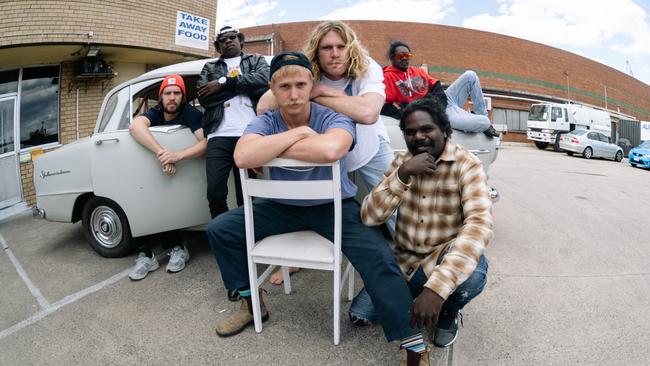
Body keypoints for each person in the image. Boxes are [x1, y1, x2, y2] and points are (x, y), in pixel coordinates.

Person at [207, 52, 431, 365]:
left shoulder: (331, 116)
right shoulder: (264, 120)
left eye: (301, 84)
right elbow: (243, 157)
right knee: (220, 230)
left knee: (379, 257)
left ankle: (414, 345)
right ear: (272, 89)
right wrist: (299, 133)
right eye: (285, 87)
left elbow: (330, 148)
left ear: (312, 84)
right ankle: (250, 303)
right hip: (280, 206)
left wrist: (270, 149)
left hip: (334, 205)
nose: (294, 94)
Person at [257, 20, 396, 285]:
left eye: (341, 46)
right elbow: (264, 106)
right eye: (327, 47)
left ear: (350, 48)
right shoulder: (305, 69)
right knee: (304, 201)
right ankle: (296, 260)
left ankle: (411, 259)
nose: (335, 54)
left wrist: (318, 91)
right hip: (327, 149)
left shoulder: (367, 67)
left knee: (395, 203)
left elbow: (368, 113)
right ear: (316, 51)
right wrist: (313, 89)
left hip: (368, 147)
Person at [352, 97, 493, 348]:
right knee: (359, 315)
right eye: (410, 132)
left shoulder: (467, 165)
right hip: (404, 263)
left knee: (473, 275)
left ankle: (448, 308)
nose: (418, 137)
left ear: (444, 130)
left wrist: (437, 289)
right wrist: (403, 174)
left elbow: (479, 225)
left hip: (442, 259)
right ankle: (412, 294)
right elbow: (369, 216)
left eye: (427, 129)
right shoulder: (401, 162)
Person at [198, 26, 269, 300]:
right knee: (215, 190)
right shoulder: (209, 66)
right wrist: (236, 86)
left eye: (232, 38)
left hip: (250, 131)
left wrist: (223, 84)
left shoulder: (256, 61)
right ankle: (226, 238)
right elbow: (204, 96)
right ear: (218, 46)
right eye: (222, 40)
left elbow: (264, 81)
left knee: (247, 193)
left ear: (240, 42)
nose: (228, 42)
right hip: (219, 134)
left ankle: (251, 239)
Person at [127, 74, 205, 280]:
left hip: (183, 172)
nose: (172, 98)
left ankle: (176, 247)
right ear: (161, 97)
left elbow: (205, 142)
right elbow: (135, 126)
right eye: (167, 93)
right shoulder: (155, 112)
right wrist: (163, 154)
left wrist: (177, 156)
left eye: (177, 93)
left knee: (168, 202)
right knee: (137, 199)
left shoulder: (190, 113)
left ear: (183, 96)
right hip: (154, 168)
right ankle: (146, 254)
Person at [382, 40, 498, 137]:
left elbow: (436, 87)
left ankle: (482, 115)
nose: (405, 58)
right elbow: (385, 106)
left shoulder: (417, 71)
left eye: (407, 55)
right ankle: (482, 123)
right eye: (400, 55)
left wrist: (439, 108)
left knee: (470, 75)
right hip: (439, 114)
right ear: (391, 58)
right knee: (484, 122)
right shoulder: (388, 76)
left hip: (444, 103)